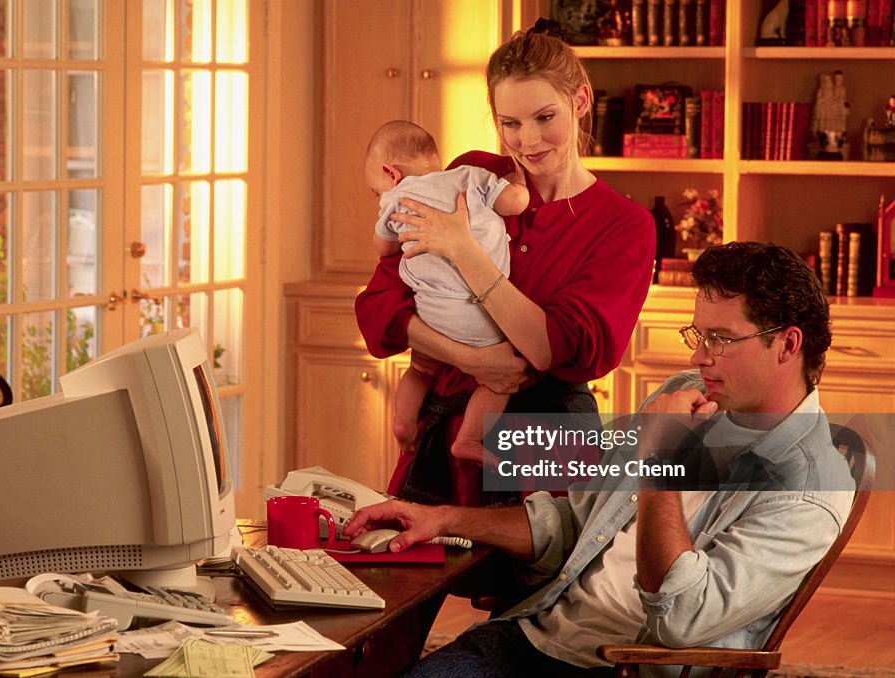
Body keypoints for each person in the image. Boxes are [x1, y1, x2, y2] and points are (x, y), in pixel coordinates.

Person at [345, 242, 855, 676]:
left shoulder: (810, 488)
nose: (698, 358)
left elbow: (680, 616)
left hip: (620, 666)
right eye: (699, 336)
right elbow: (579, 519)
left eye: (720, 340)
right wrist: (444, 519)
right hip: (539, 633)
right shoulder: (690, 394)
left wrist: (661, 458)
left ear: (788, 345)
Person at [355, 24, 656, 506]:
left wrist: (463, 249)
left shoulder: (624, 225)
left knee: (526, 578)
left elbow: (548, 349)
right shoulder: (471, 176)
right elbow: (379, 304)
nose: (528, 140)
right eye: (509, 123)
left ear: (580, 101)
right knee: (414, 574)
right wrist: (469, 358)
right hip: (443, 421)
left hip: (546, 434)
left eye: (544, 117)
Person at [365, 119, 530, 467]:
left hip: (431, 312)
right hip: (479, 318)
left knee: (421, 370)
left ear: (389, 173)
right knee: (500, 382)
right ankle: (469, 439)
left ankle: (403, 422)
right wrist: (517, 182)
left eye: (375, 190)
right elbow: (515, 202)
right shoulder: (470, 175)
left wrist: (388, 214)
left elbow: (383, 249)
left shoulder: (396, 198)